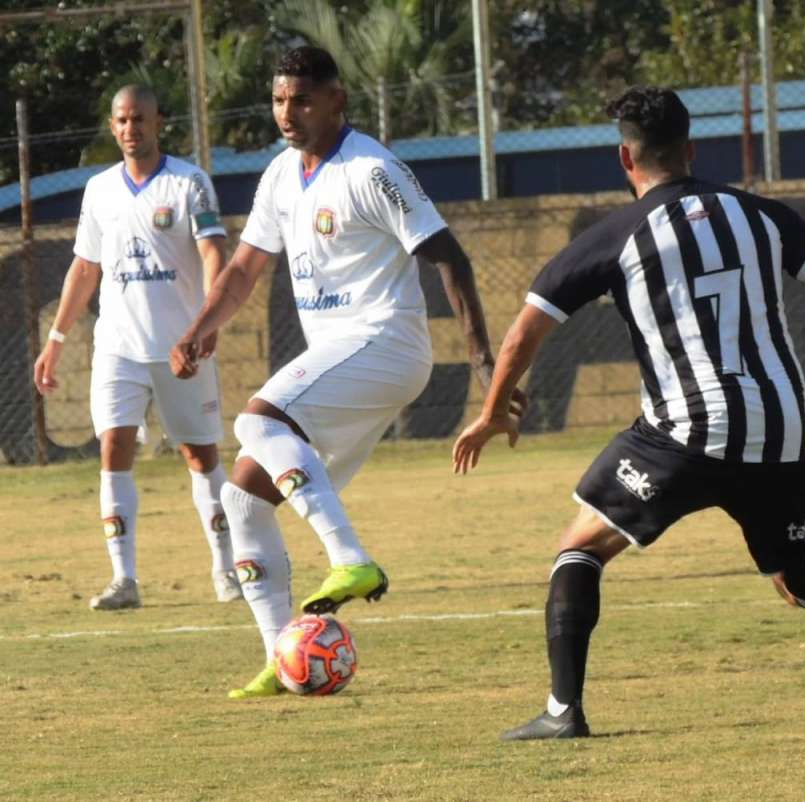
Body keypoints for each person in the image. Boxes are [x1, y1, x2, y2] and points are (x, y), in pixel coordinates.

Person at [452, 86, 805, 740]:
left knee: (578, 549)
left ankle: (563, 712)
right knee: (796, 588)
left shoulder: (614, 236)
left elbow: (521, 335)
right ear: (692, 150)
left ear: (626, 158)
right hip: (783, 431)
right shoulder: (762, 215)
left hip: (683, 434)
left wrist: (491, 410)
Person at [170, 46, 521, 699]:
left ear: (337, 100)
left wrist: (482, 361)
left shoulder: (374, 169)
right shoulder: (279, 175)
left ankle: (350, 559)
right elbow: (244, 269)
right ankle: (283, 656)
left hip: (388, 342)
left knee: (255, 418)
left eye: (301, 100)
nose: (287, 113)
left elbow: (451, 258)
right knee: (242, 500)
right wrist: (201, 326)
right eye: (279, 100)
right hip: (343, 359)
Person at [33, 85, 241, 610]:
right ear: (112, 127)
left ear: (158, 121)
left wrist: (206, 320)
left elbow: (214, 251)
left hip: (180, 347)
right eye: (122, 121)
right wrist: (55, 340)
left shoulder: (189, 182)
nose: (132, 129)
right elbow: (85, 268)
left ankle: (226, 570)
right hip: (118, 347)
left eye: (140, 119)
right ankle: (124, 580)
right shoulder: (99, 190)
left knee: (199, 454)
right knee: (113, 447)